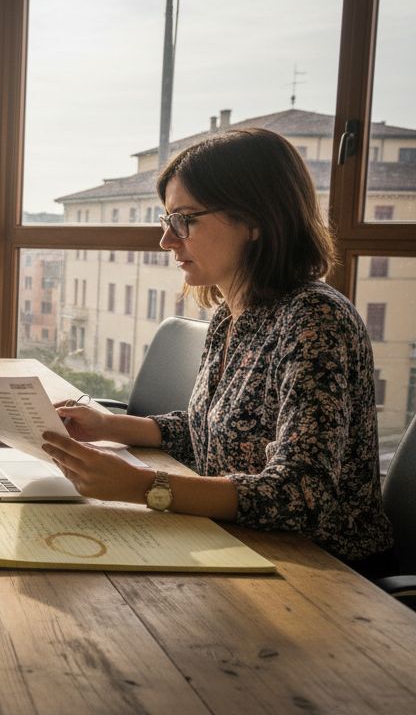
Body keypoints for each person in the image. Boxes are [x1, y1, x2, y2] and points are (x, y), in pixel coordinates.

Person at [42, 127, 393, 568]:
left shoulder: (315, 321)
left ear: (255, 219)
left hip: (321, 570)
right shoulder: (231, 314)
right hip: (236, 542)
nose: (167, 240)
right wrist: (108, 426)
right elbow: (210, 433)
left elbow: (301, 497)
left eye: (184, 219)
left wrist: (139, 486)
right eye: (167, 220)